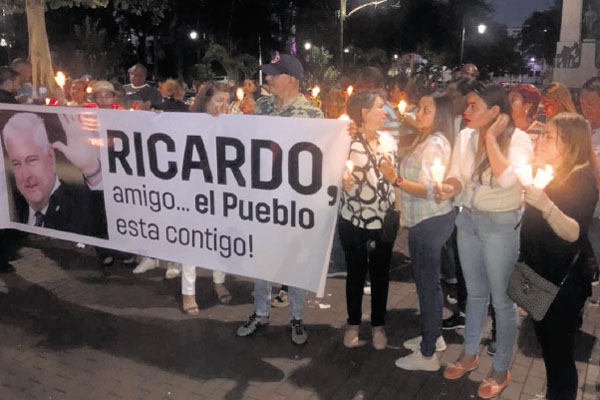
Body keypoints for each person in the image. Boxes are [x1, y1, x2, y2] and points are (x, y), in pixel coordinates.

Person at [435, 82, 533, 398]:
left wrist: (491, 138)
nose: (466, 111)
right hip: (468, 220)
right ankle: (469, 352)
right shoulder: (465, 136)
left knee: (502, 301)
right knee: (475, 294)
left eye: (474, 106)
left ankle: (501, 368)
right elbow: (457, 174)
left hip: (501, 226)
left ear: (494, 111)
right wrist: (448, 187)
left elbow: (507, 178)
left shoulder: (518, 140)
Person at [236, 54, 323, 345]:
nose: (268, 79)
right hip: (263, 202)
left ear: (291, 79)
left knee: (295, 261)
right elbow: (234, 137)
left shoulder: (313, 115)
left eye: (273, 74)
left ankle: (296, 317)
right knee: (261, 261)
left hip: (294, 205)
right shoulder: (260, 108)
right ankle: (260, 312)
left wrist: (344, 135)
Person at [520, 112, 598, 400]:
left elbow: (573, 232)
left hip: (562, 282)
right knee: (546, 340)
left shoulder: (582, 178)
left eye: (549, 136)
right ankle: (556, 391)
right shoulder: (552, 170)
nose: (541, 141)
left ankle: (560, 394)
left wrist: (545, 204)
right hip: (539, 272)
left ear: (570, 142)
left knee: (559, 350)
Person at [382, 91, 455, 370]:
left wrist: (395, 178)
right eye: (420, 108)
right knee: (429, 284)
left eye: (426, 109)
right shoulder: (425, 137)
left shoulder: (435, 144)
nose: (419, 112)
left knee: (427, 287)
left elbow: (427, 190)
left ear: (439, 116)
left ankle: (428, 355)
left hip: (429, 221)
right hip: (426, 220)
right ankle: (433, 337)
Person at [339, 90, 397, 350]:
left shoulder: (389, 140)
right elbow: (331, 173)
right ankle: (353, 323)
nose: (385, 113)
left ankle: (378, 324)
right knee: (355, 272)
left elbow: (394, 177)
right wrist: (343, 181)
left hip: (383, 219)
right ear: (364, 112)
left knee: (380, 275)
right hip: (352, 218)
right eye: (380, 108)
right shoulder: (346, 139)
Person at [173, 81, 233, 314]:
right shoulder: (189, 122)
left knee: (221, 237)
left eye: (227, 101)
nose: (224, 106)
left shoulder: (232, 123)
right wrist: (157, 119)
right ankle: (188, 291)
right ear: (205, 101)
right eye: (219, 100)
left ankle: (219, 281)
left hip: (220, 189)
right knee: (193, 238)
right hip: (194, 189)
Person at [2, 112, 107, 238]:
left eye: (32, 160)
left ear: (51, 157)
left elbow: (104, 227)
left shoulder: (79, 204)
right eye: (16, 163)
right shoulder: (12, 206)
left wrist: (92, 170)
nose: (26, 175)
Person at [580, 77, 600, 286]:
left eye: (591, 104)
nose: (585, 109)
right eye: (582, 104)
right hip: (579, 210)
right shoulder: (583, 128)